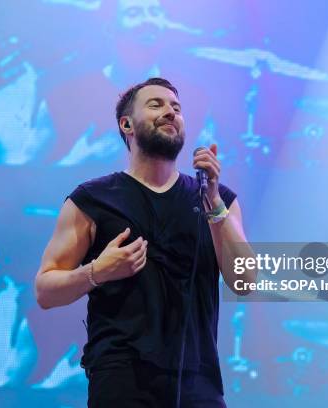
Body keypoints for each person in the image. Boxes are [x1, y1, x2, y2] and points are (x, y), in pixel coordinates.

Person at [35, 77, 255, 407]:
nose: (170, 112)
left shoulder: (218, 199)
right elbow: (45, 291)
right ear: (127, 124)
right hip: (121, 380)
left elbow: (246, 281)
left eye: (176, 108)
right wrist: (96, 271)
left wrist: (215, 207)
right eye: (156, 105)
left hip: (198, 382)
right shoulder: (93, 199)